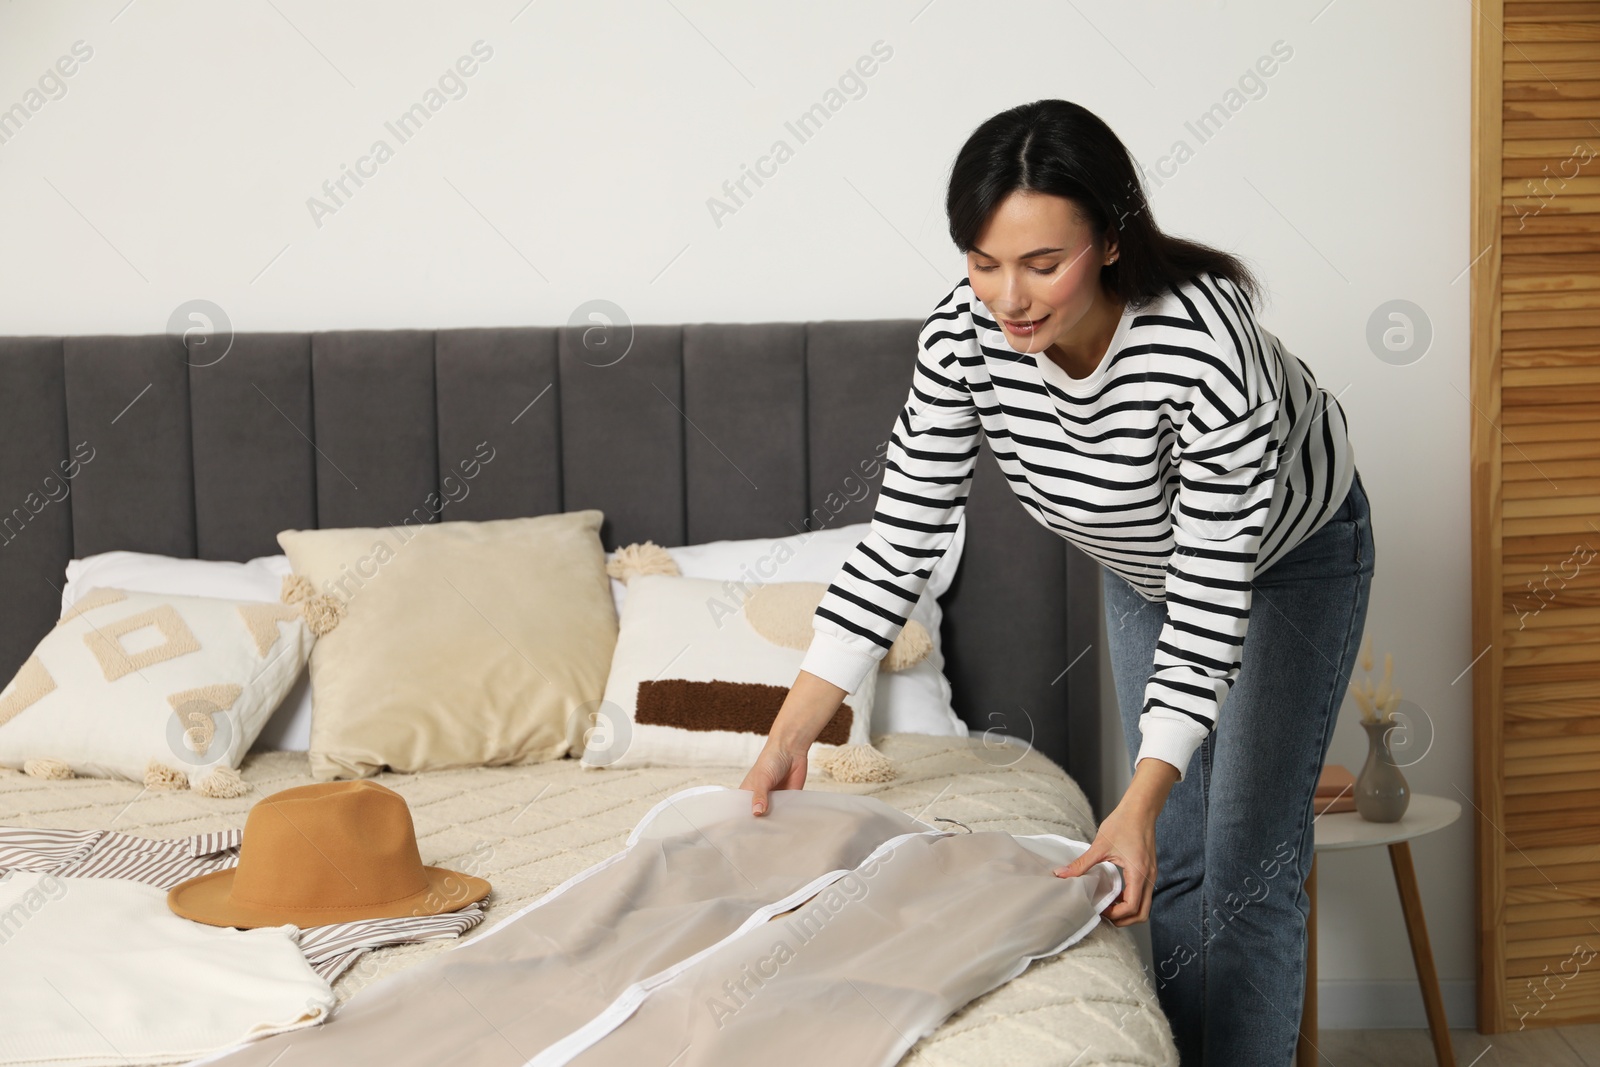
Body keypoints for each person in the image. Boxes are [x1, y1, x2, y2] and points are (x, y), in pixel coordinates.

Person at [738, 98, 1374, 1065]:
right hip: (1139, 564)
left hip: (1282, 562)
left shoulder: (1203, 346)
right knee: (1176, 859)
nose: (1009, 297)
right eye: (984, 261)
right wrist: (796, 724)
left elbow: (1212, 585)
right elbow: (903, 533)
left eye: (1043, 263)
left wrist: (1143, 793)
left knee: (1245, 863)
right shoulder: (963, 335)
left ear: (1111, 240)